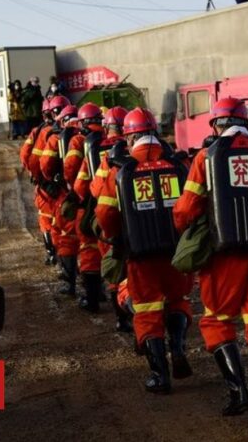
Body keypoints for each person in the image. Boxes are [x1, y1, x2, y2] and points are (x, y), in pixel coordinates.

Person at [172, 98, 248, 435]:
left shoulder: (208, 157)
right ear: (246, 120)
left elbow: (185, 210)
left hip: (225, 260)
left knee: (216, 321)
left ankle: (239, 392)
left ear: (215, 125)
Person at [96, 107, 194, 394]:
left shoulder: (120, 169)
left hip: (141, 255)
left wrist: (116, 239)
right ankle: (177, 346)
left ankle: (159, 376)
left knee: (147, 309)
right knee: (178, 299)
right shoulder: (178, 163)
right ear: (154, 133)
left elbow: (104, 213)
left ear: (129, 137)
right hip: (177, 252)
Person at [86, 106, 133, 331]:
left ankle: (122, 318)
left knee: (115, 269)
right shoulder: (143, 150)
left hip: (114, 220)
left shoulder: (105, 154)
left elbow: (95, 190)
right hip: (143, 223)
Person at [66, 103, 106, 312]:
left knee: (89, 249)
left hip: (89, 203)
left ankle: (92, 299)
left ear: (82, 122)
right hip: (116, 203)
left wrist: (73, 195)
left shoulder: (79, 141)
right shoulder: (112, 139)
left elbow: (74, 172)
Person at [40, 101, 80, 296]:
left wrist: (51, 181)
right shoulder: (89, 135)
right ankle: (97, 288)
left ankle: (69, 282)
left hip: (67, 193)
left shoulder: (57, 138)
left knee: (65, 236)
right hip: (93, 195)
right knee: (91, 241)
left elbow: (45, 165)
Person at [21, 99, 58, 266]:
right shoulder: (67, 131)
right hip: (63, 185)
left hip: (44, 184)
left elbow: (25, 155)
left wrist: (34, 174)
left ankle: (52, 253)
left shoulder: (38, 131)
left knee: (46, 220)